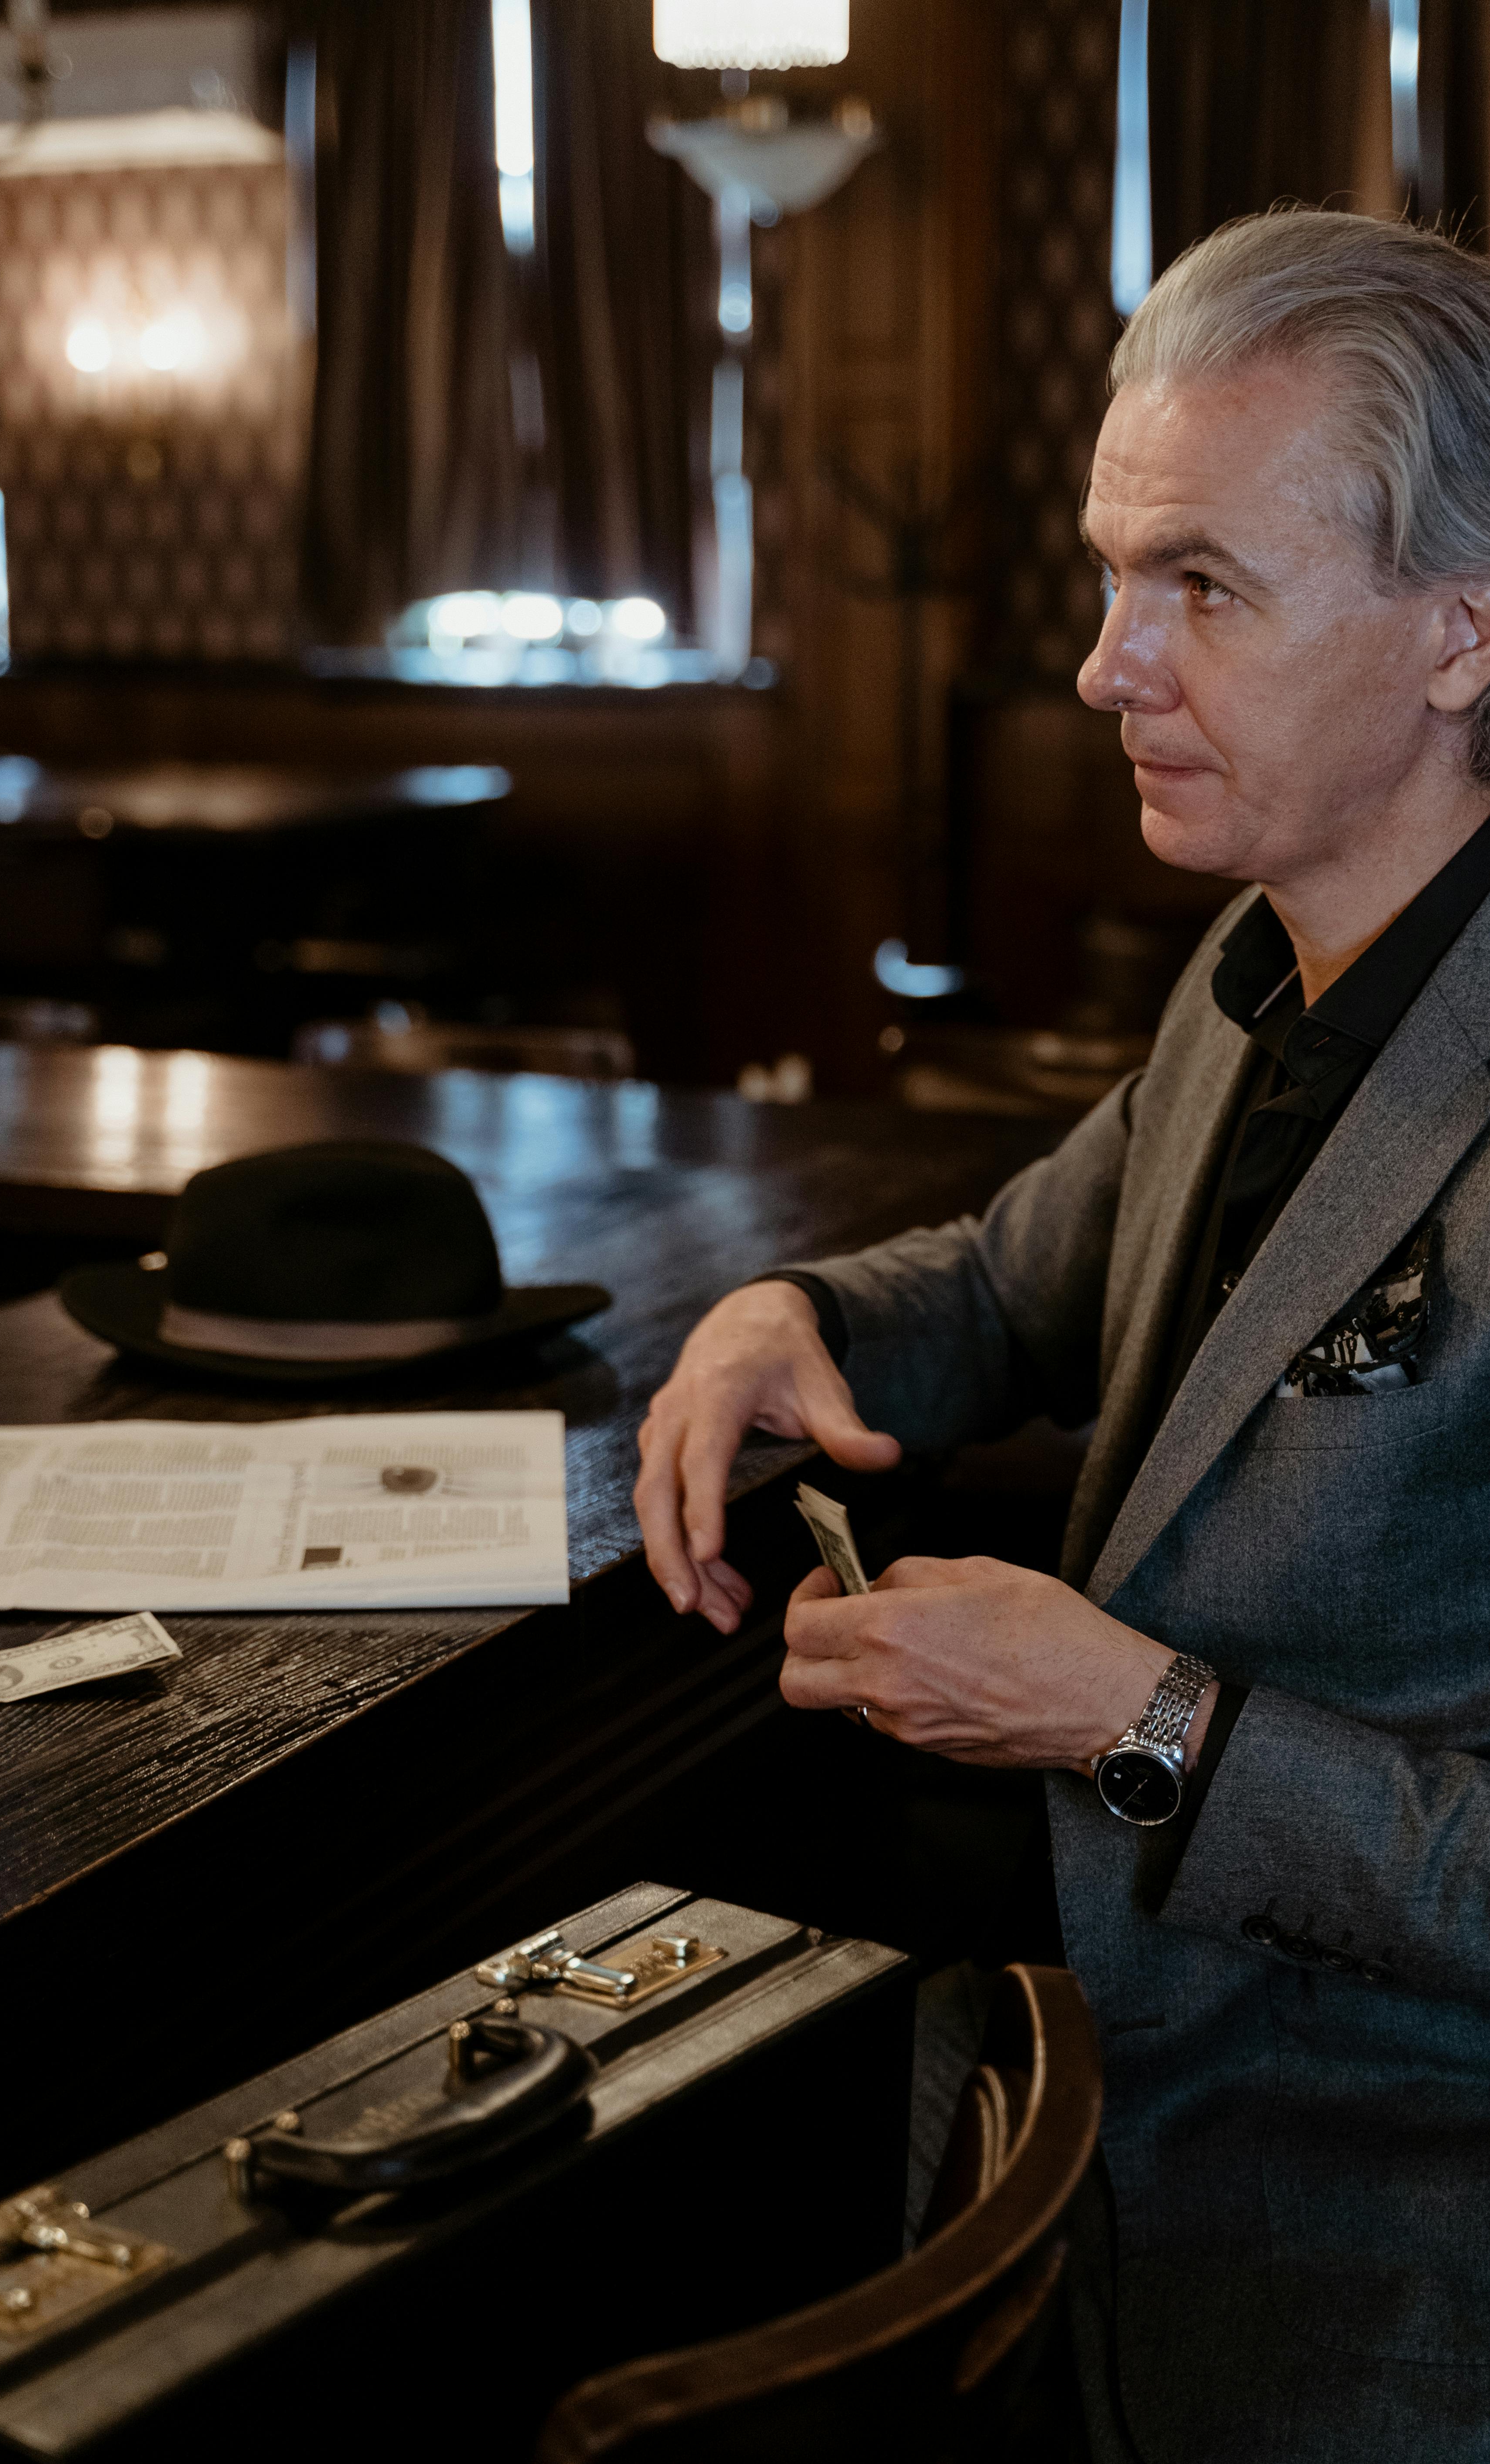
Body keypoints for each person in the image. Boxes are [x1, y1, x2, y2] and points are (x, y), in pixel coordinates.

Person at [635, 209, 1490, 2463]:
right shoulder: (1251, 967)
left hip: (1393, 2256)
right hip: (1091, 2107)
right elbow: (1014, 1284)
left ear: (1454, 636)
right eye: (1108, 576)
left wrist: (1139, 1720)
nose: (1105, 664)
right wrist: (783, 1312)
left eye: (1195, 587)